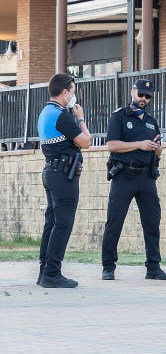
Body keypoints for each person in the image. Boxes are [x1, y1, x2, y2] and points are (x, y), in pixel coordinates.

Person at [101, 79, 166, 281]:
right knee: (115, 221)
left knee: (152, 222)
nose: (144, 99)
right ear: (133, 92)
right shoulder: (119, 117)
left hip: (146, 177)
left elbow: (158, 151)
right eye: (141, 94)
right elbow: (112, 145)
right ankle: (108, 266)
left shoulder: (151, 120)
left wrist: (157, 149)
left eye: (148, 96)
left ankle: (153, 267)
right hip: (124, 176)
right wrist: (139, 144)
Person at [37, 73, 91, 288]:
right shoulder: (62, 116)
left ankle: (44, 270)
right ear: (65, 92)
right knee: (63, 224)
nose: (74, 96)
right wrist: (81, 119)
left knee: (52, 223)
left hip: (52, 172)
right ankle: (52, 273)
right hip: (63, 175)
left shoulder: (45, 112)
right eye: (73, 91)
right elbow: (86, 141)